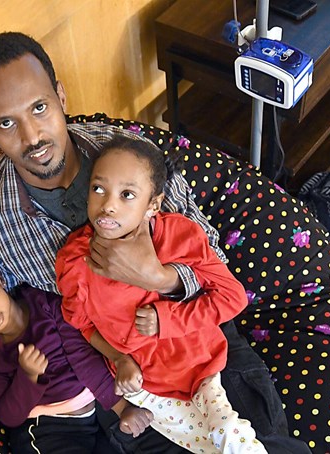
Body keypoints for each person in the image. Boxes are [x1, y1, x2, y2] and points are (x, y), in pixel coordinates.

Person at [0, 31, 310, 453]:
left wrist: (162, 278)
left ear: (60, 96)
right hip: (123, 376)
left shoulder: (130, 156)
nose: (32, 136)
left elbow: (214, 262)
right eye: (6, 123)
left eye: (39, 108)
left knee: (261, 444)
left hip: (201, 346)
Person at [56, 136, 266, 453]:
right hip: (145, 387)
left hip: (201, 365)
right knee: (207, 448)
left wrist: (167, 317)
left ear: (153, 205)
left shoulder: (179, 237)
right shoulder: (74, 260)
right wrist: (119, 358)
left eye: (127, 195)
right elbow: (82, 324)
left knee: (228, 432)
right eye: (98, 189)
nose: (108, 205)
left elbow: (232, 297)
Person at [0, 248, 155, 453]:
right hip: (46, 431)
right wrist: (28, 376)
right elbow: (8, 416)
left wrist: (122, 407)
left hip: (93, 415)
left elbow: (83, 356)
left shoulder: (45, 303)